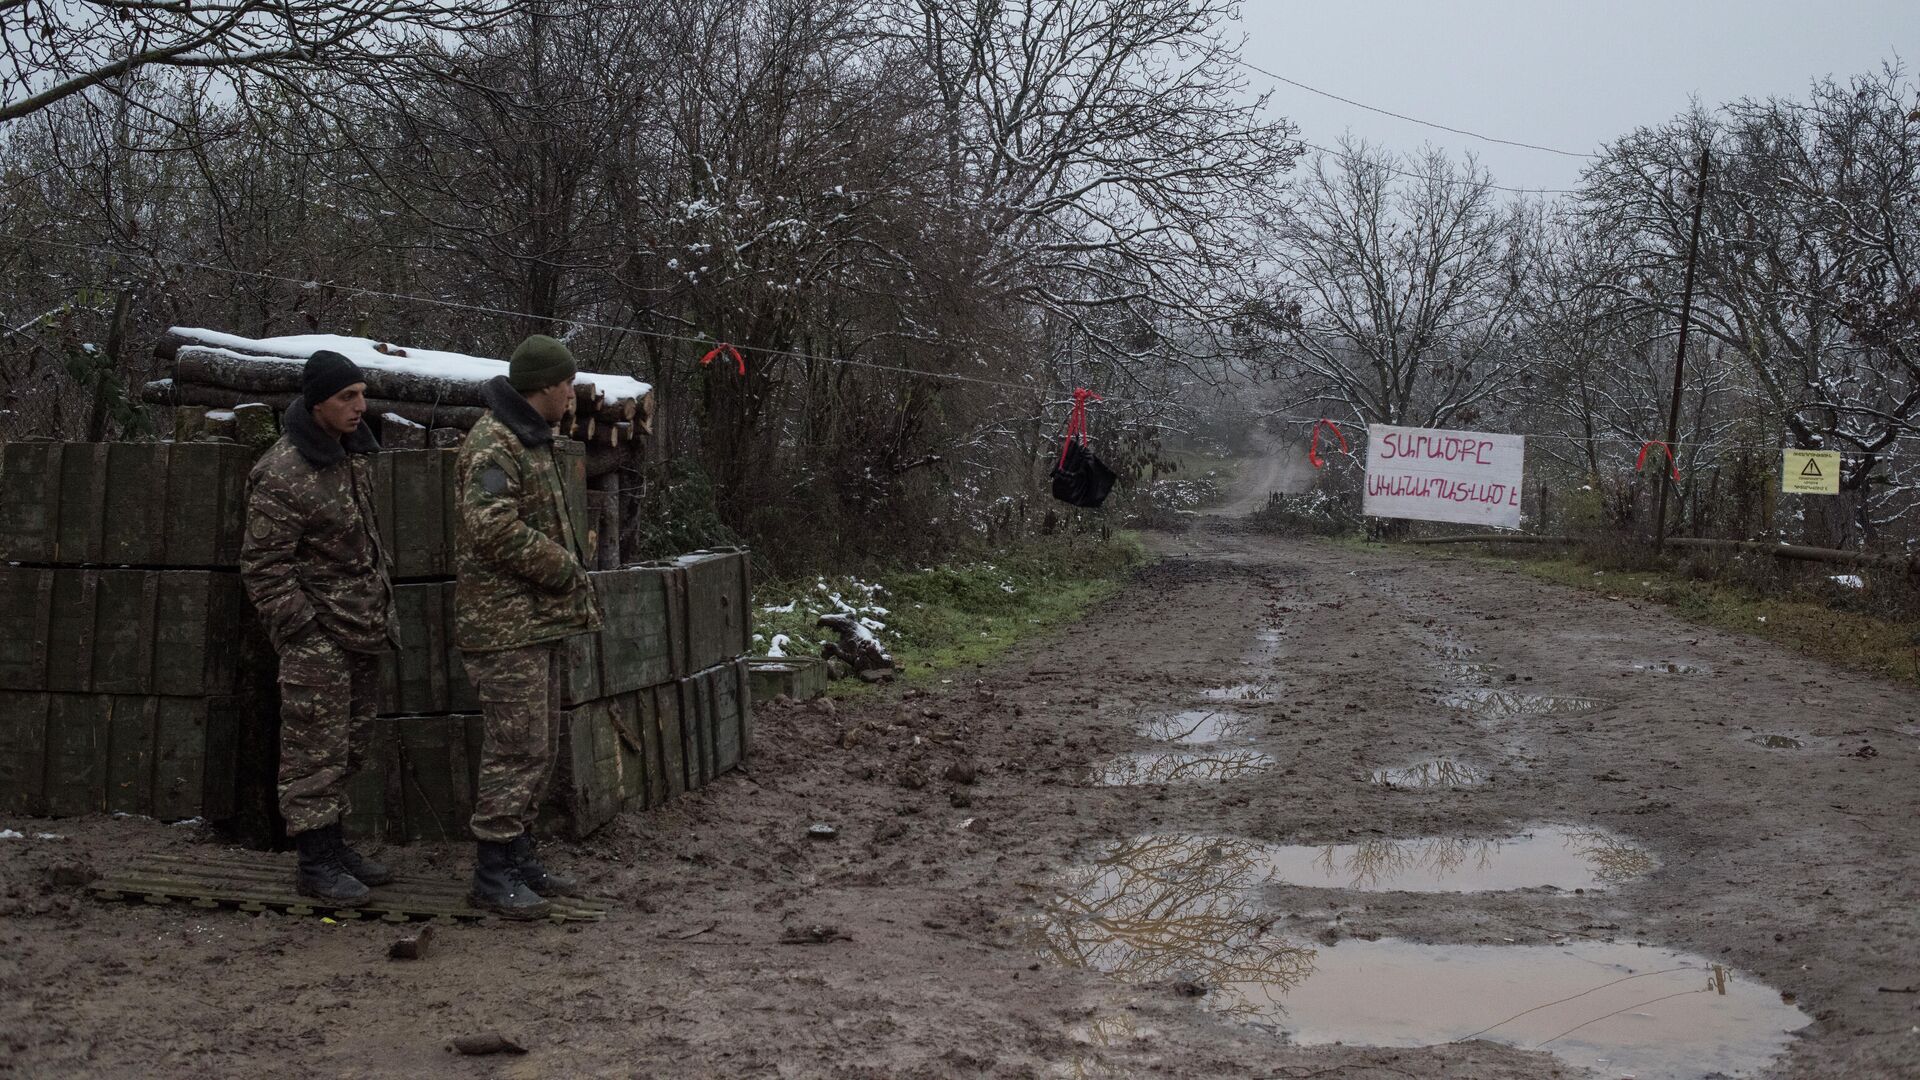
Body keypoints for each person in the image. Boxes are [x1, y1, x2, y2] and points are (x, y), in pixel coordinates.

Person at [239, 350, 400, 905]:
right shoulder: (283, 472)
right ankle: (314, 861)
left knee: (349, 746)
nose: (359, 406)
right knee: (312, 750)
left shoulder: (350, 455)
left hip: (361, 628)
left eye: (362, 394)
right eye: (346, 397)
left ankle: (333, 846)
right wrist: (304, 633)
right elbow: (264, 567)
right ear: (316, 404)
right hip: (319, 639)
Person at [454, 334, 601, 919]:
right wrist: (563, 565)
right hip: (505, 626)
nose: (573, 392)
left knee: (537, 747)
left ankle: (518, 857)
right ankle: (492, 873)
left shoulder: (531, 440)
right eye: (567, 383)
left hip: (534, 621)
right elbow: (491, 526)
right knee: (515, 749)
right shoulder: (494, 444)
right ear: (543, 386)